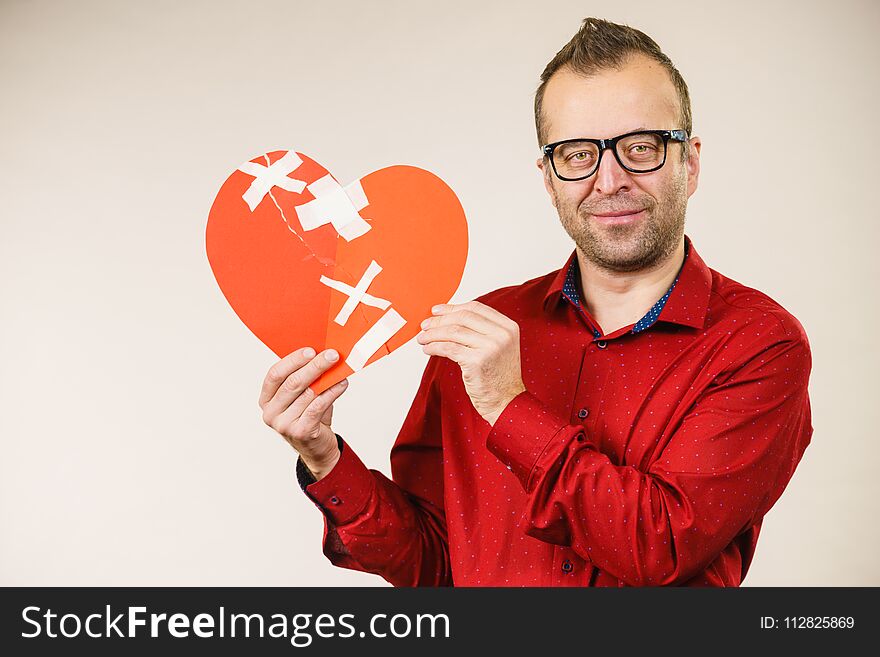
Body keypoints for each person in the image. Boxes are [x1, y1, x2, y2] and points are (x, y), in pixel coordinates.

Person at [258, 17, 812, 586]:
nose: (610, 179)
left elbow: (662, 545)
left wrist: (509, 407)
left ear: (689, 163)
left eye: (641, 147)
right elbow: (435, 560)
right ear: (549, 178)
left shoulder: (758, 343)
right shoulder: (483, 331)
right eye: (577, 154)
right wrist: (323, 455)